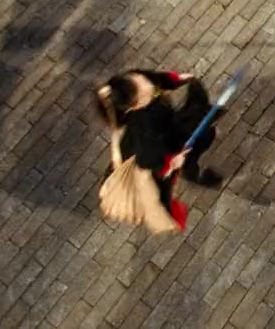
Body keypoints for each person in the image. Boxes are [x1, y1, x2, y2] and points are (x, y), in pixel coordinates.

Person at [95, 70, 225, 231]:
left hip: (165, 129)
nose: (147, 85)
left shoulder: (132, 82)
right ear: (132, 107)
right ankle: (199, 176)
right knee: (190, 149)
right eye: (142, 92)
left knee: (192, 126)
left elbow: (153, 78)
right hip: (162, 143)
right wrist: (171, 162)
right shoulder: (143, 129)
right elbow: (146, 160)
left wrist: (173, 80)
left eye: (141, 80)